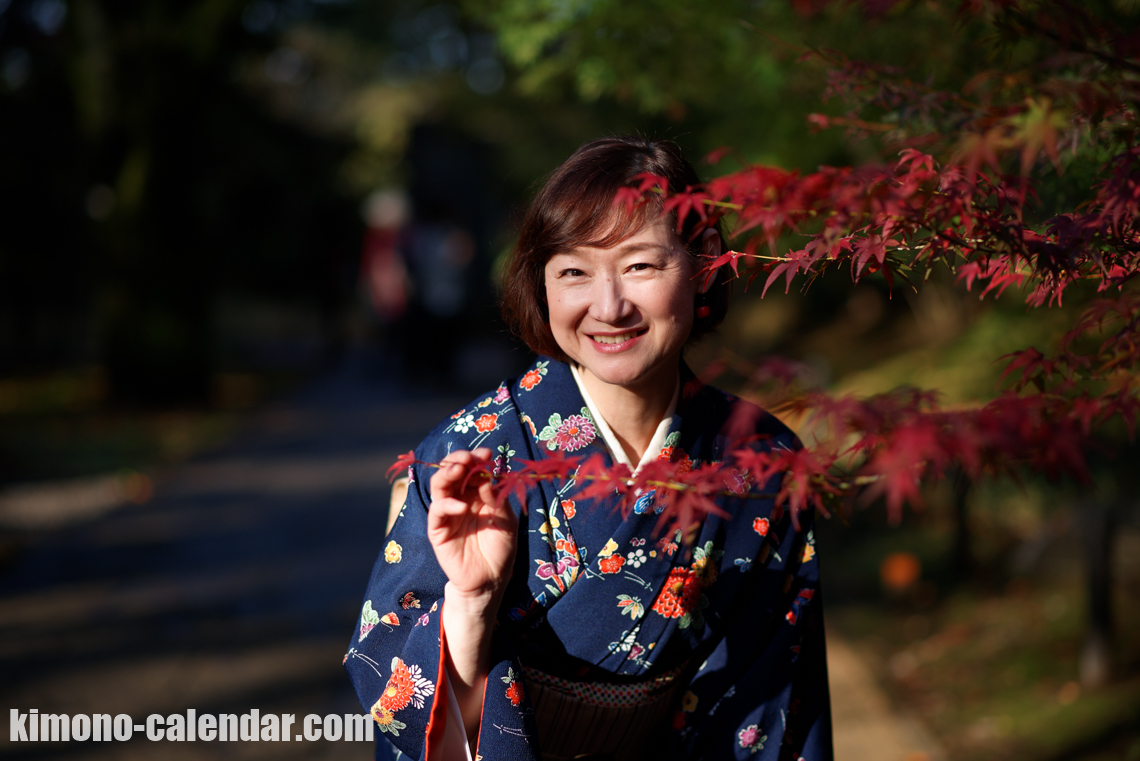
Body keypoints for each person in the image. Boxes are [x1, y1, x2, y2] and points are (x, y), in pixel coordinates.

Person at [345, 137, 832, 761]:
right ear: (542, 283)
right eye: (574, 272)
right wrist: (471, 604)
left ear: (705, 260)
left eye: (640, 266)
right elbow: (402, 706)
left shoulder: (761, 459)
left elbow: (776, 699)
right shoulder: (473, 454)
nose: (609, 307)